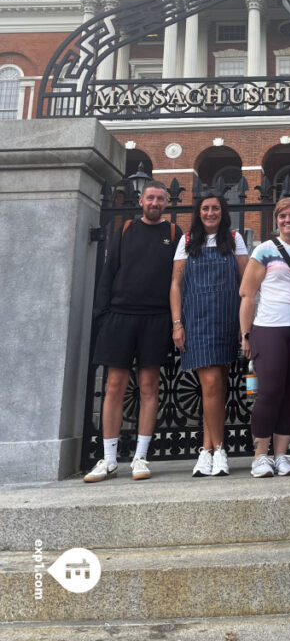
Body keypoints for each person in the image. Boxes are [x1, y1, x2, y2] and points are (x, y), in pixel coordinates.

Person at [84, 181, 181, 482]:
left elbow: (178, 280)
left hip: (156, 318)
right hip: (121, 315)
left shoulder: (175, 234)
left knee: (150, 387)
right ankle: (109, 459)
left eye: (160, 199)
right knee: (114, 386)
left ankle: (141, 456)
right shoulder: (125, 230)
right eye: (150, 198)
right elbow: (108, 272)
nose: (155, 202)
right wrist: (102, 314)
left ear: (167, 202)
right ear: (141, 201)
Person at [170, 191, 248, 477]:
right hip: (197, 320)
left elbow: (245, 282)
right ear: (198, 212)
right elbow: (176, 285)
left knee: (215, 389)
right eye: (205, 208)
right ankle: (220, 449)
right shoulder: (187, 241)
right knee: (212, 383)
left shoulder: (235, 239)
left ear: (222, 211)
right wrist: (177, 323)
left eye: (215, 208)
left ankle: (206, 450)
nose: (210, 213)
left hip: (228, 318)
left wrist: (245, 325)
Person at [239, 196, 290, 478]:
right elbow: (247, 293)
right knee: (270, 391)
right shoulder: (264, 250)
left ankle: (281, 454)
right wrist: (245, 334)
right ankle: (260, 455)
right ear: (276, 220)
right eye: (282, 216)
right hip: (268, 327)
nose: (288, 220)